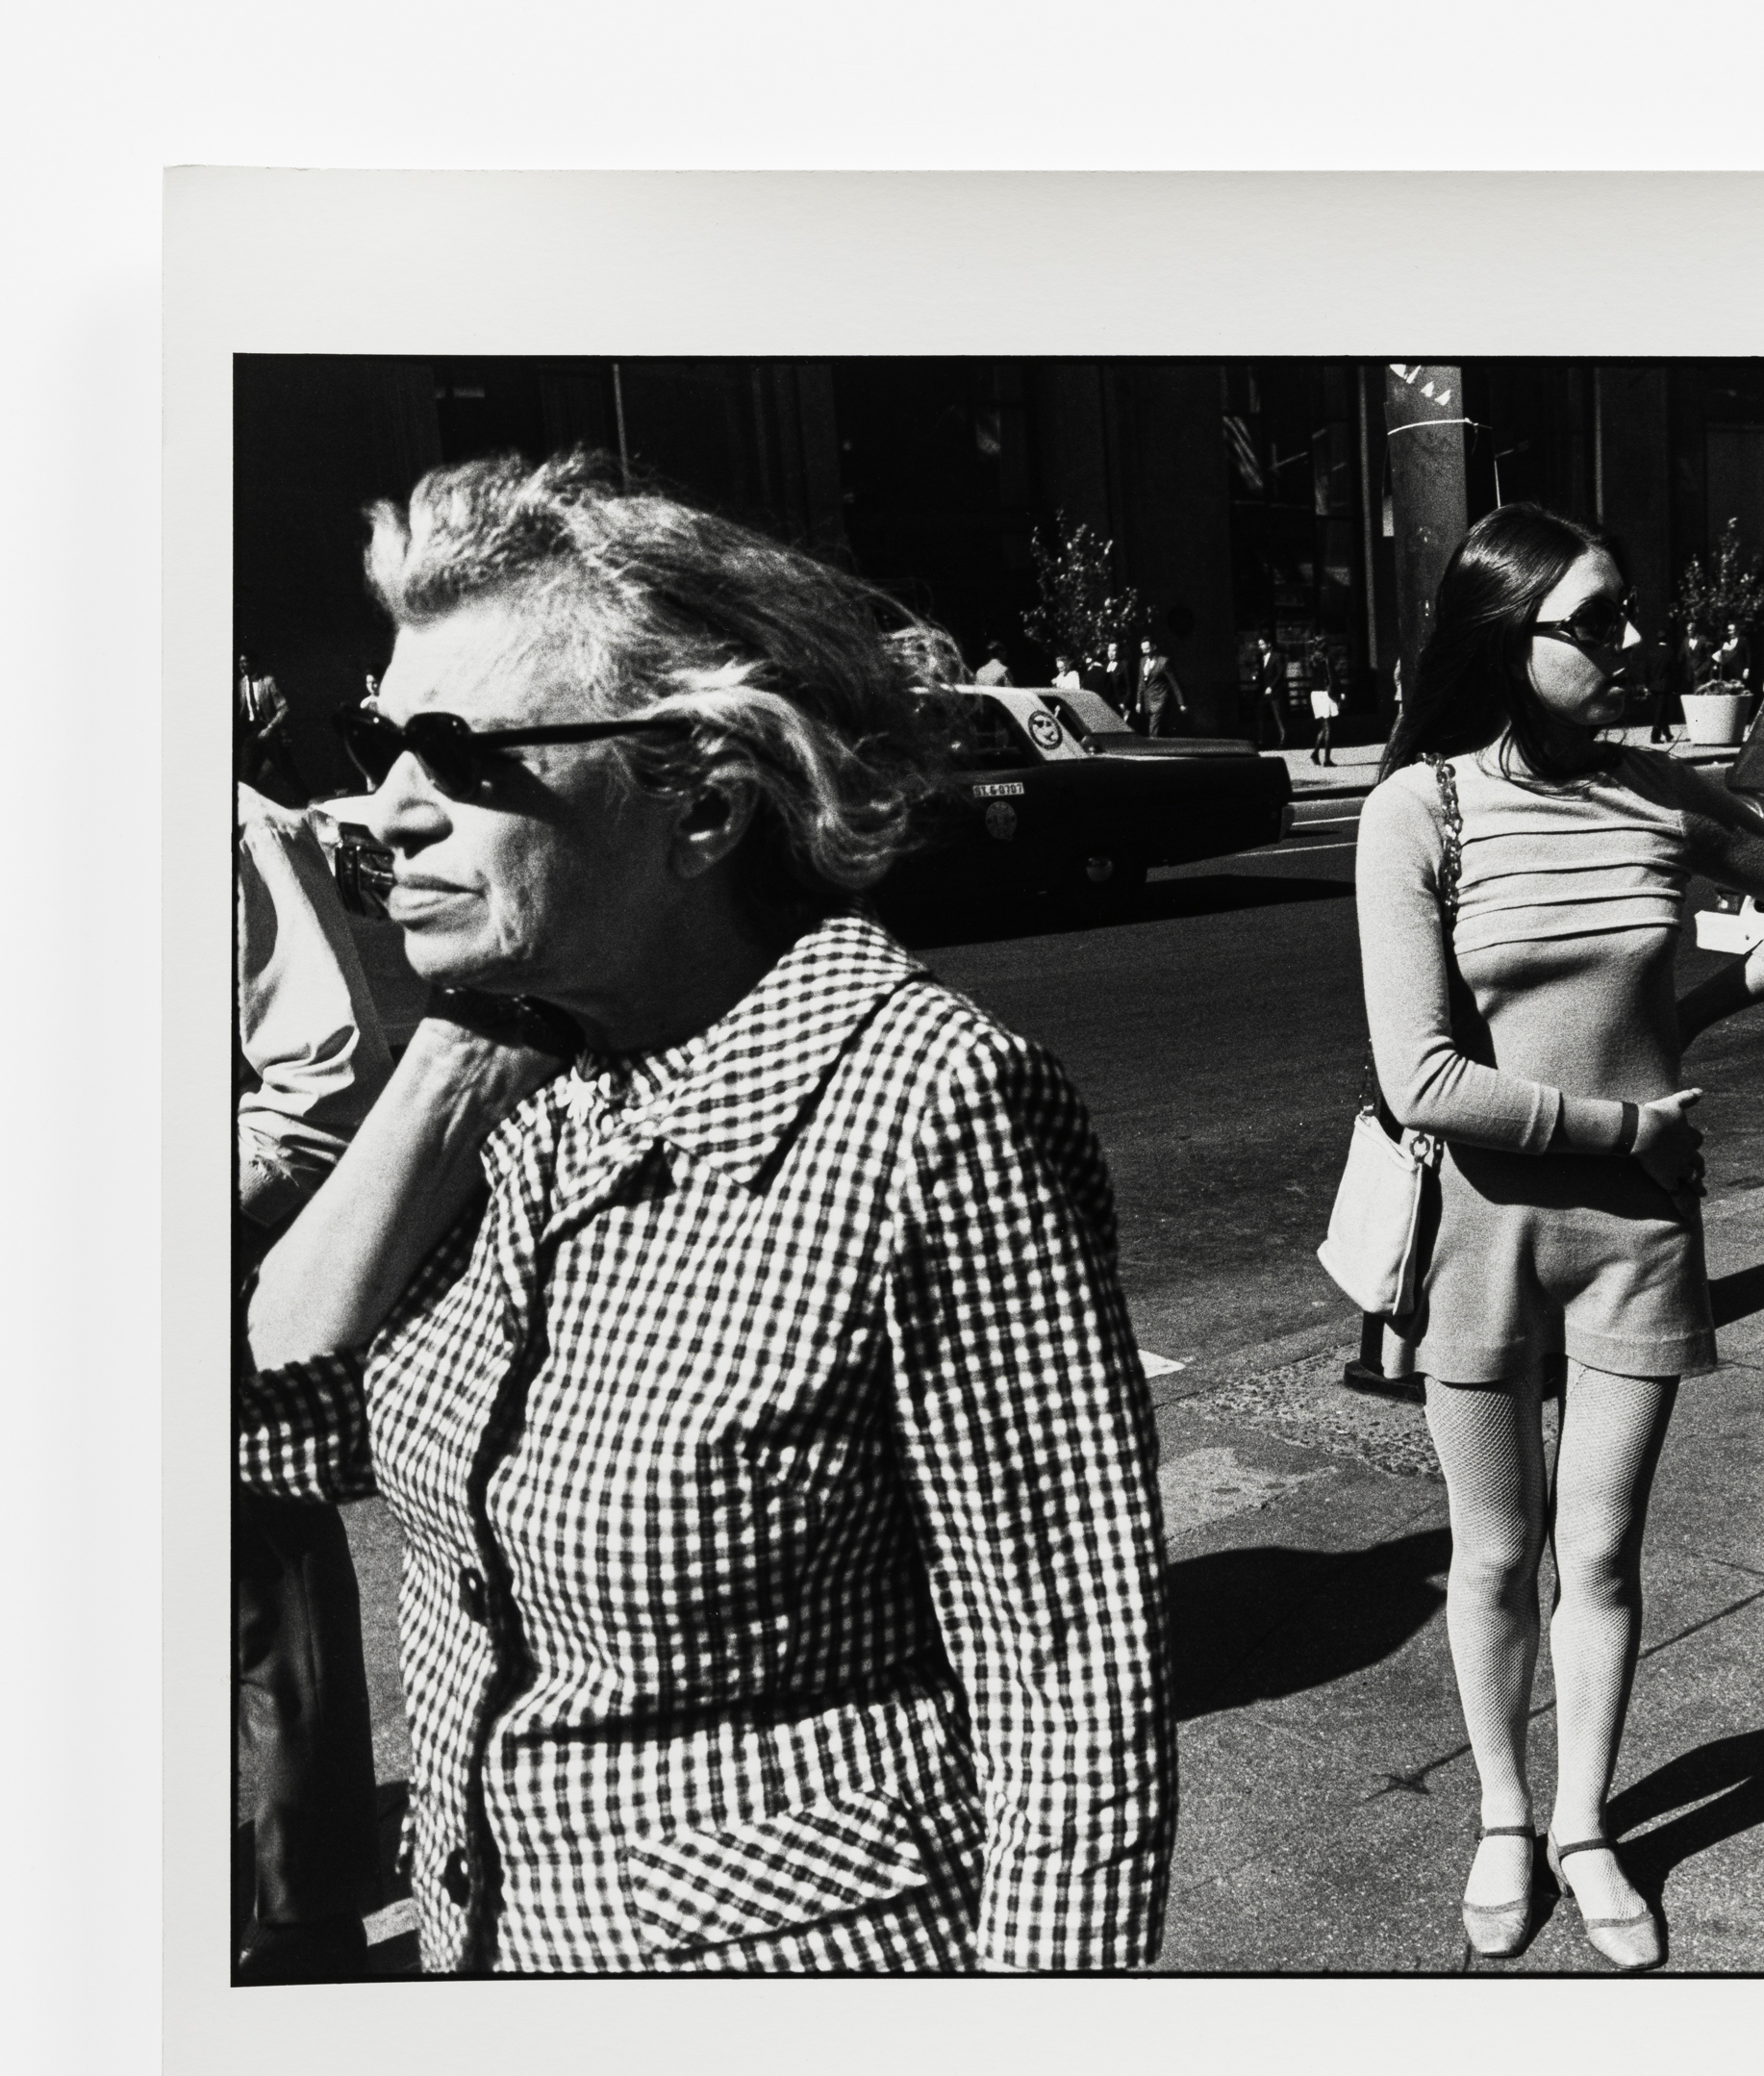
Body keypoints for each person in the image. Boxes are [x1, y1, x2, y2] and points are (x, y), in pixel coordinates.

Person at [237, 450, 1175, 1974]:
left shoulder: (925, 1102)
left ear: (703, 802)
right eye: (377, 740)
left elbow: (1070, 1690)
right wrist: (445, 1074)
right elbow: (276, 1429)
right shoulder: (531, 1081)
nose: (388, 810)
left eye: (457, 754)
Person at [1355, 503, 1764, 1970]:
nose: (1634, 640)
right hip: (1483, 1229)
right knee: (1495, 1554)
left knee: (1604, 1552)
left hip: (1639, 1231)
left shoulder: (1658, 794)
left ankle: (1585, 1825)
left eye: (1628, 609)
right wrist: (1621, 1121)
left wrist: (1680, 1024)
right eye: (1596, 621)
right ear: (1504, 638)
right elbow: (1424, 1079)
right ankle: (1503, 1816)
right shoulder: (1420, 811)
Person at [235, 700, 395, 1983]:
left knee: (261, 1599)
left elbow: (324, 1089)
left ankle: (305, 1915)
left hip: (186, 1278)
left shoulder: (228, 831)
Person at [1132, 636, 1183, 735]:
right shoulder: (1143, 661)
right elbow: (1141, 682)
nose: (1144, 652)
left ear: (1154, 647)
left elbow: (1174, 683)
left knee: (1153, 731)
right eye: (1143, 649)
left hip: (1160, 702)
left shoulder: (1163, 662)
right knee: (1159, 731)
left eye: (1147, 649)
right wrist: (1138, 701)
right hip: (1148, 703)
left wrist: (1181, 703)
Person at [1303, 641, 1341, 766]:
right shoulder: (1327, 658)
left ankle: (1315, 753)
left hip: (1315, 694)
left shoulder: (1312, 659)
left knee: (1324, 727)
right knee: (1329, 727)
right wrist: (1339, 691)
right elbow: (1332, 677)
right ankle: (1327, 759)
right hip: (1326, 693)